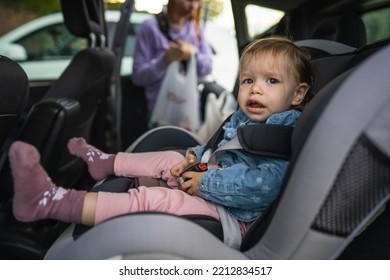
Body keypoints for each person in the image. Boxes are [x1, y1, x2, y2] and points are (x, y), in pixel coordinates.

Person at [8, 36, 314, 248]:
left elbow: (265, 185)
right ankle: (108, 162)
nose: (255, 90)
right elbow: (216, 147)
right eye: (248, 80)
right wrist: (192, 159)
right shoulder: (243, 119)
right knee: (169, 157)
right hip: (215, 184)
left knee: (156, 199)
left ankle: (53, 201)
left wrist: (207, 181)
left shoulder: (282, 132)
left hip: (235, 218)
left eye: (271, 81)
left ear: (298, 94)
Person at [131, 0, 213, 114]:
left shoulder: (196, 28)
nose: (194, 6)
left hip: (189, 111)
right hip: (160, 113)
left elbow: (208, 68)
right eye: (189, 0)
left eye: (198, 1)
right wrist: (164, 60)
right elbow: (138, 77)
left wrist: (192, 55)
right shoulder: (149, 27)